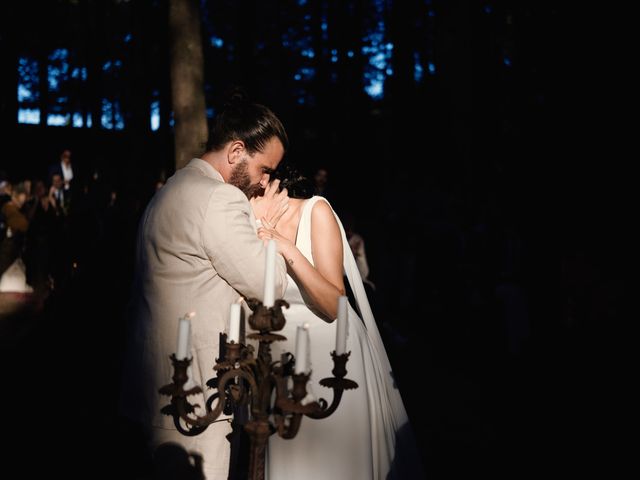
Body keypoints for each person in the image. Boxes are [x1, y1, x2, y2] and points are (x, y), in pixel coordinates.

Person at [120, 94, 291, 480]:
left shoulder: (172, 186)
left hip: (153, 385)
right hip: (197, 397)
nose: (265, 183)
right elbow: (271, 289)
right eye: (265, 170)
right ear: (235, 151)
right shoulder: (220, 199)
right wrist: (264, 227)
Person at [258, 170, 423, 479]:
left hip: (333, 359)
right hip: (280, 361)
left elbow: (334, 304)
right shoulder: (241, 223)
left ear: (265, 177)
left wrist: (285, 246)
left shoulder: (314, 211)